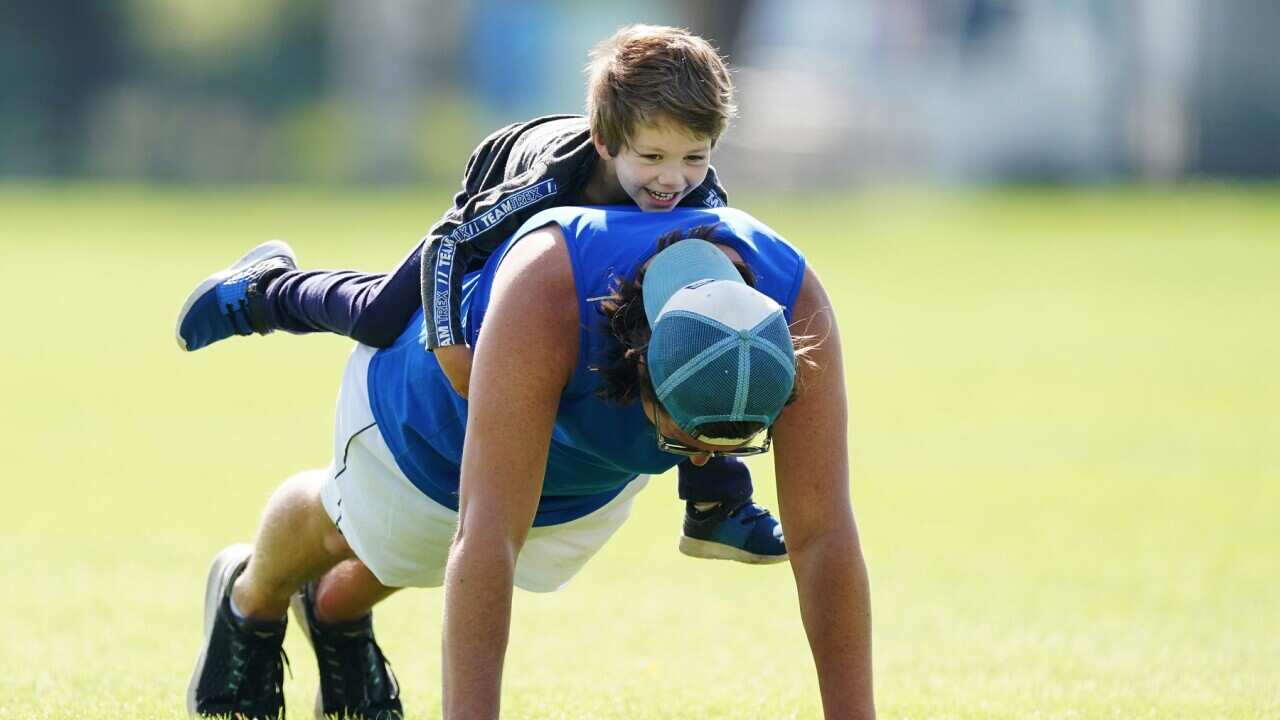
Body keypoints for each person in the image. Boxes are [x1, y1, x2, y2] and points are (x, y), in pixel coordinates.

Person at [186, 205, 875, 720]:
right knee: (360, 531)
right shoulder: (549, 290)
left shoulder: (793, 304)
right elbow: (484, 537)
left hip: (584, 467)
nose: (702, 459)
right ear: (641, 370)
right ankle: (251, 598)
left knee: (424, 558)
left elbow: (823, 537)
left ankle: (333, 612)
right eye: (689, 435)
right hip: (429, 414)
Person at [174, 24, 786, 567]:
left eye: (694, 158)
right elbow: (447, 245)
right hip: (491, 201)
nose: (671, 179)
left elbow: (701, 329)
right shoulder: (552, 183)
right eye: (652, 157)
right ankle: (266, 290)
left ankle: (716, 502)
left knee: (684, 330)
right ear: (606, 144)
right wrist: (449, 346)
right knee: (382, 317)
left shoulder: (699, 202)